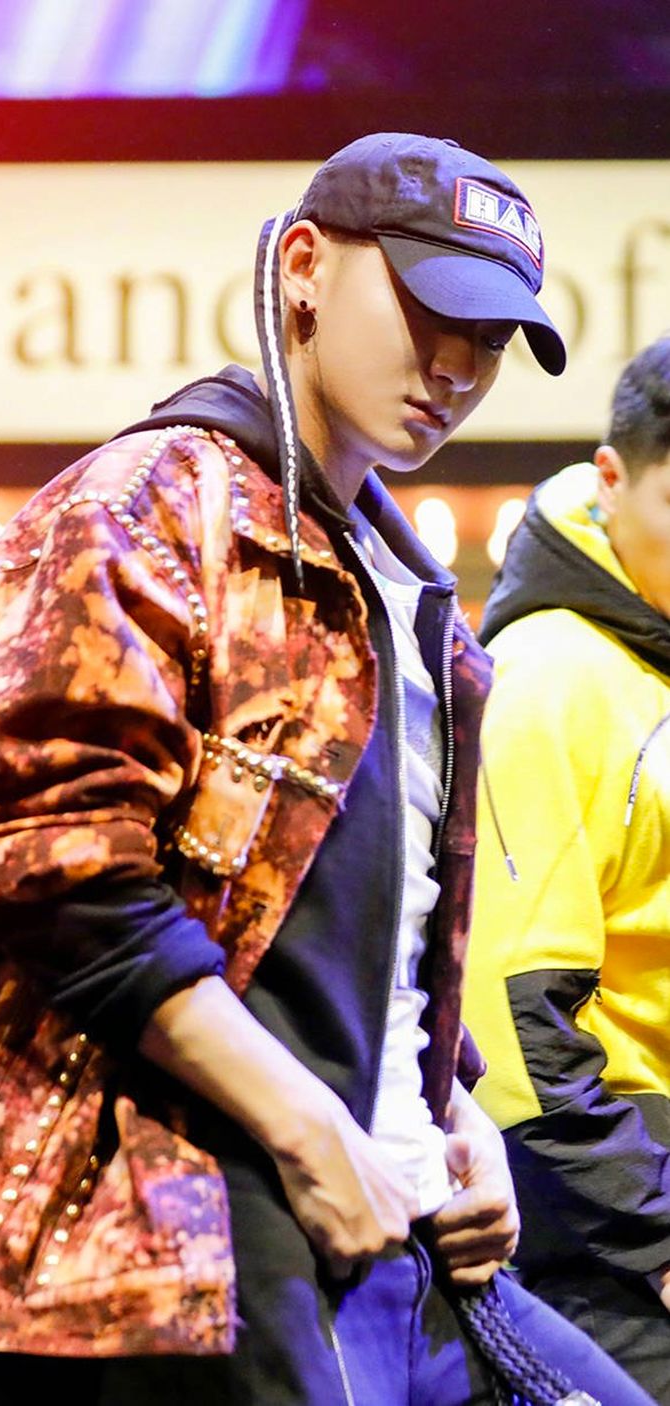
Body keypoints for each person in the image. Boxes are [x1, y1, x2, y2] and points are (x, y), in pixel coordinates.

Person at [0, 133, 652, 1406]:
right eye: (433, 310)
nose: (458, 367)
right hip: (189, 1238)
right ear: (304, 266)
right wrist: (310, 1131)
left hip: (392, 1222)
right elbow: (59, 875)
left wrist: (448, 1111)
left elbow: (363, 922)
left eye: (492, 340)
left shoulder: (404, 588)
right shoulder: (143, 504)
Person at [462, 335, 670, 1401]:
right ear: (611, 478)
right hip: (610, 1230)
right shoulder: (551, 676)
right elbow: (513, 1026)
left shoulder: (647, 663)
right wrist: (656, 1235)